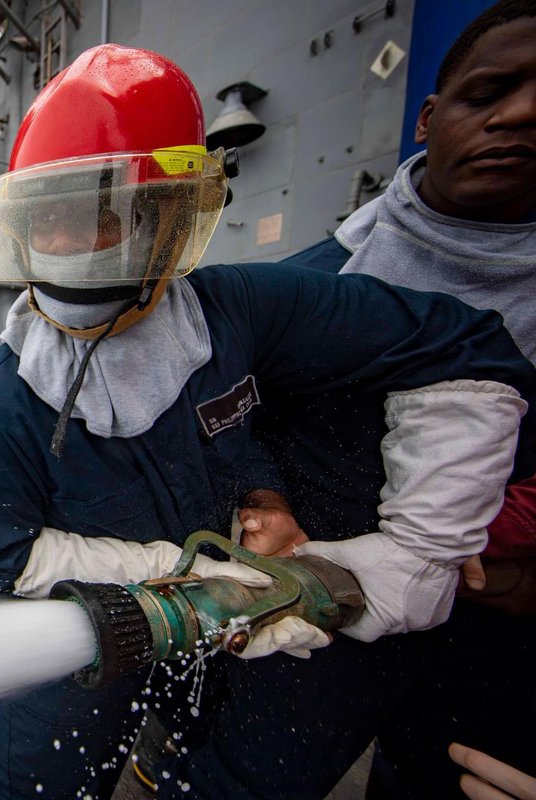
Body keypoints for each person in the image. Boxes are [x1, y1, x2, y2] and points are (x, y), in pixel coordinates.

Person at [0, 44, 536, 799]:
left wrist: (411, 547)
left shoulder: (239, 314)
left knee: (211, 763)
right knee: (34, 782)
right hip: (89, 630)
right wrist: (180, 582)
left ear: (168, 218)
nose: (62, 248)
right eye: (46, 221)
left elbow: (466, 346)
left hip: (228, 644)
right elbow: (13, 564)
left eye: (97, 217)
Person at [233, 4, 536, 797]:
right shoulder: (308, 285)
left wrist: (501, 552)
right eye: (491, 92)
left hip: (493, 648)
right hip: (313, 616)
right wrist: (263, 499)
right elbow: (232, 421)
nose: (524, 113)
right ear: (429, 120)